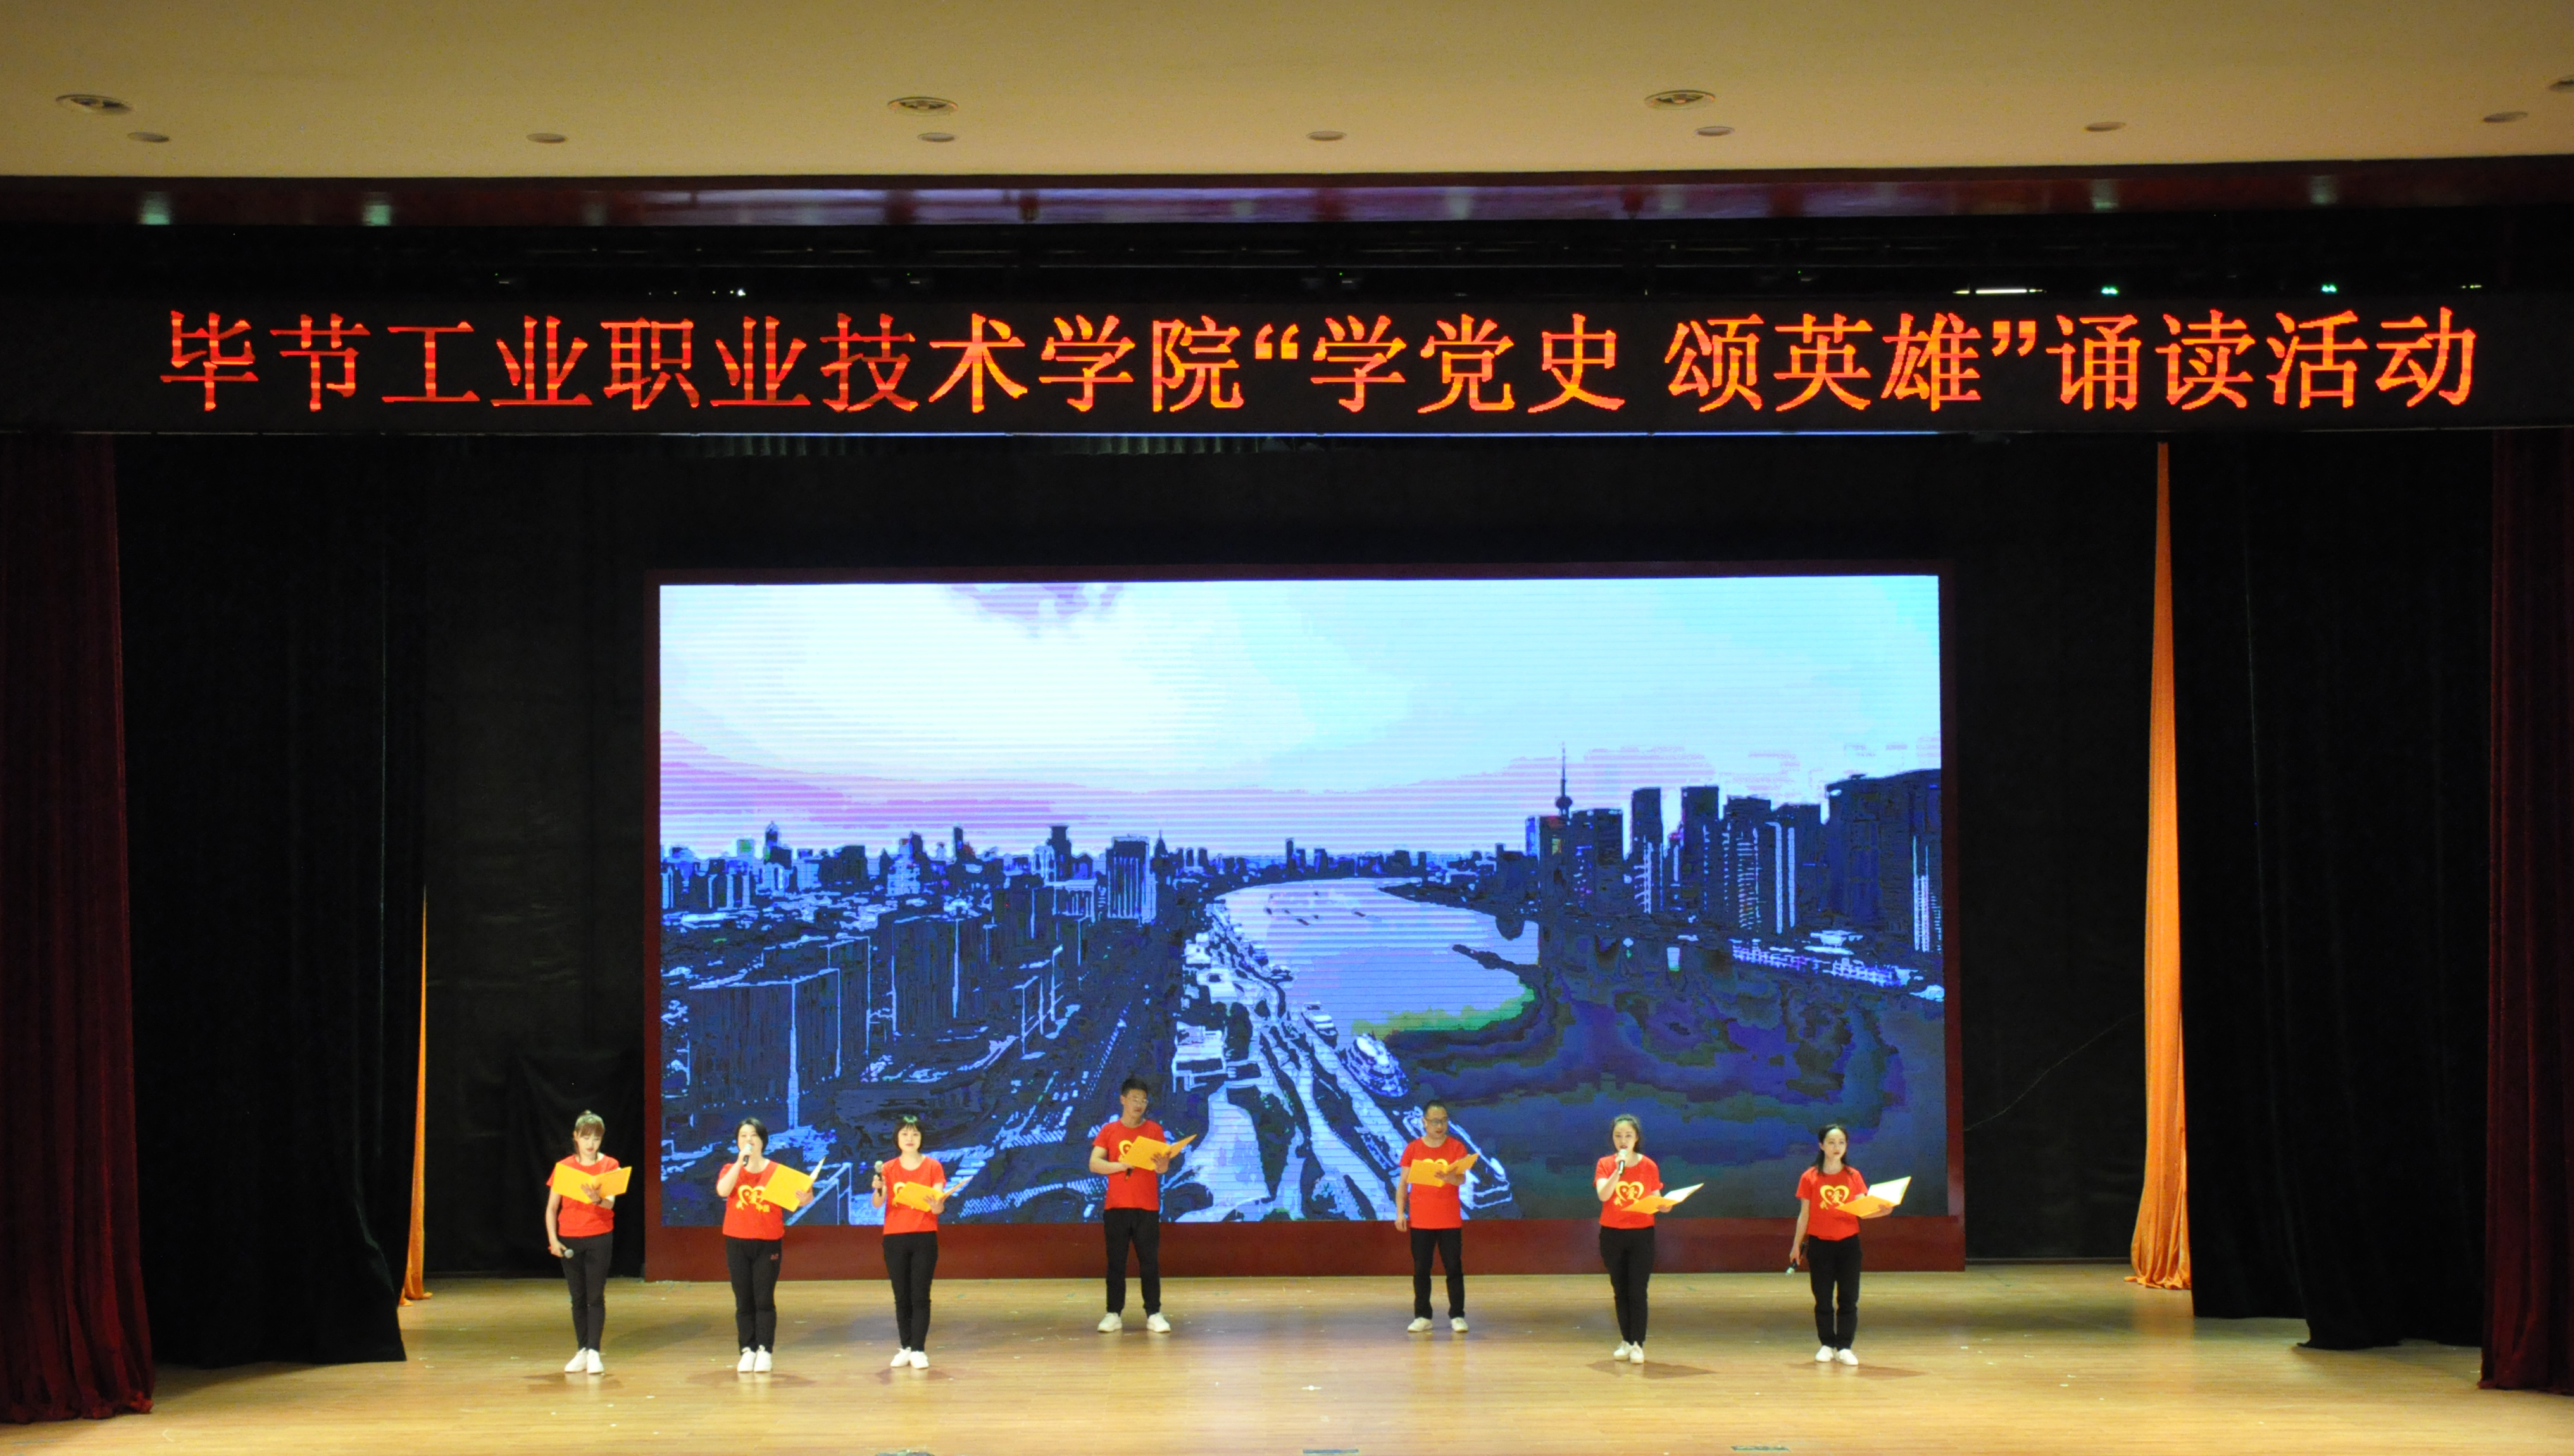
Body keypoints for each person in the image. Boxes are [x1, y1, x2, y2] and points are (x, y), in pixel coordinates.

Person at [1088, 1075, 1182, 1333]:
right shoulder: (1109, 1131)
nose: (1139, 1104)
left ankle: (1154, 1313)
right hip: (1117, 1207)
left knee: (1149, 1262)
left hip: (1147, 1207)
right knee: (1116, 1263)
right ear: (1123, 1100)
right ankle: (1113, 1314)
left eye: (1143, 1100)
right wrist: (1121, 1165)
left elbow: (1161, 1169)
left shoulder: (1154, 1130)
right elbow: (1094, 1163)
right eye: (1134, 1099)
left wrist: (1164, 1164)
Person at [1789, 1122, 1882, 1366]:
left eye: (1841, 1142)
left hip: (1848, 1245)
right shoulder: (1810, 1177)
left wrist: (1884, 1210)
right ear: (1821, 1145)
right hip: (1820, 1245)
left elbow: (1863, 1209)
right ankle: (1827, 1344)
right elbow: (1804, 1215)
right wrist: (1796, 1245)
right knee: (1822, 1297)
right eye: (1831, 1142)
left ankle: (1845, 1347)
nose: (1836, 1147)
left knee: (1849, 1297)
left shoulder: (1853, 1176)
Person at [869, 1114, 948, 1370]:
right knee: (901, 1295)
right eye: (905, 1134)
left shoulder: (933, 1167)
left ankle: (919, 1349)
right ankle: (905, 1347)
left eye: (915, 1134)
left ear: (922, 1138)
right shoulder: (888, 1168)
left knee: (920, 1295)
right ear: (897, 1138)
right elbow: (877, 1203)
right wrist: (878, 1188)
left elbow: (938, 1208)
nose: (910, 1138)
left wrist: (937, 1205)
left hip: (924, 1236)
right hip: (894, 1238)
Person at [543, 1111, 618, 1374]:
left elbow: (610, 1204)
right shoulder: (564, 1168)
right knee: (578, 1297)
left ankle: (594, 1351)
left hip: (599, 1236)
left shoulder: (610, 1165)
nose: (591, 1144)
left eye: (596, 1139)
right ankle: (582, 1350)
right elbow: (552, 1208)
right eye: (586, 1138)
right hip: (570, 1237)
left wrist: (597, 1199)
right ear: (576, 1137)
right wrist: (553, 1240)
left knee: (595, 1296)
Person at [1392, 1100, 1470, 1333]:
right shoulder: (1413, 1149)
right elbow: (1403, 1184)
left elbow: (1462, 1179)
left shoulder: (1456, 1147)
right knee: (1421, 1269)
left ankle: (1457, 1315)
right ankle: (1423, 1316)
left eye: (1444, 1121)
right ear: (1424, 1122)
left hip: (1449, 1220)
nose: (1440, 1126)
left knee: (1453, 1268)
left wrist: (1449, 1178)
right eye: (1435, 1121)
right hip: (1421, 1220)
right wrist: (1400, 1213)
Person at [715, 1117, 785, 1372]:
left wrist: (805, 1195)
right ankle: (747, 1349)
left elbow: (799, 1200)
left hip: (768, 1242)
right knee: (743, 1299)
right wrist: (739, 1163)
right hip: (737, 1241)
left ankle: (765, 1350)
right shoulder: (730, 1169)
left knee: (764, 1298)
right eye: (743, 1136)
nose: (748, 1140)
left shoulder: (776, 1170)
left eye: (753, 1135)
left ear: (763, 1140)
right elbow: (723, 1191)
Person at [1595, 1112, 1660, 1364]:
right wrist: (1618, 1171)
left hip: (1642, 1235)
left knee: (1638, 1290)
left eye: (1628, 1136)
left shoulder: (1649, 1165)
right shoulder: (1605, 1164)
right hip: (1612, 1234)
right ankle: (1626, 1339)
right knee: (1620, 1289)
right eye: (1618, 1136)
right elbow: (1604, 1195)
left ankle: (1638, 1344)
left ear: (1637, 1138)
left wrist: (1664, 1205)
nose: (1623, 1140)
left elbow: (1655, 1199)